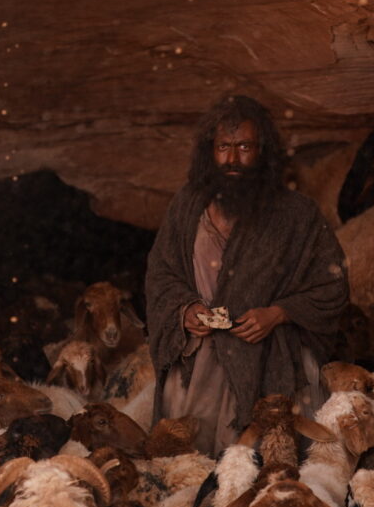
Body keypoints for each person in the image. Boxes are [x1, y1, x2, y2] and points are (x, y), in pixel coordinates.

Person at [145, 94, 349, 455]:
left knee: (270, 463)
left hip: (270, 359)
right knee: (187, 464)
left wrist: (279, 313)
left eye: (244, 147)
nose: (232, 159)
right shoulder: (187, 206)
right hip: (199, 365)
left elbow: (332, 285)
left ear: (262, 151)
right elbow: (161, 274)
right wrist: (185, 310)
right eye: (224, 147)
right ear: (210, 151)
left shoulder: (296, 214)